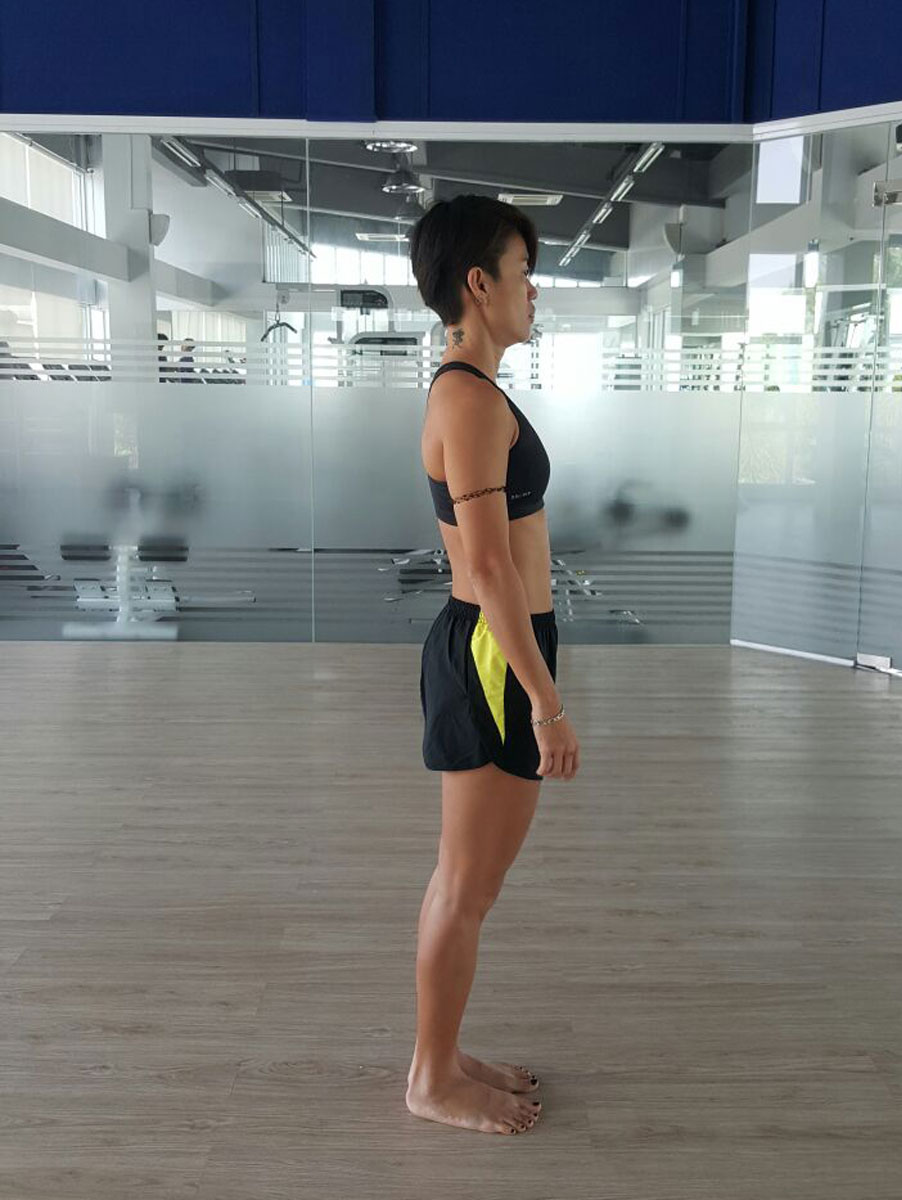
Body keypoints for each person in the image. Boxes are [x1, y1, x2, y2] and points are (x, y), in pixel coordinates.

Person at [405, 194, 580, 1136]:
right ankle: (431, 1078)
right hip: (492, 651)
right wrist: (545, 703)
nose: (532, 290)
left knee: (470, 884)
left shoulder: (476, 391)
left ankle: (444, 1053)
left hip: (505, 644)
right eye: (522, 273)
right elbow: (485, 566)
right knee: (465, 886)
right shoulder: (467, 398)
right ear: (478, 284)